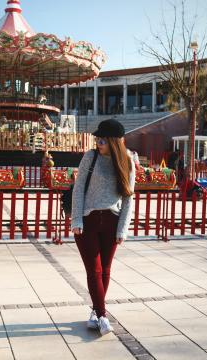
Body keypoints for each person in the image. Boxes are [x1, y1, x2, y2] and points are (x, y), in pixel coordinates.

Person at [71, 119, 135, 336]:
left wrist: (122, 230)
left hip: (112, 221)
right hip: (87, 221)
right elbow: (78, 189)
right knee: (94, 270)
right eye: (97, 139)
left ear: (114, 142)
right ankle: (103, 316)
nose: (98, 143)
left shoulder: (127, 161)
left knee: (105, 270)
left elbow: (128, 199)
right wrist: (76, 220)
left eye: (102, 140)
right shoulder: (90, 157)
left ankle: (95, 312)